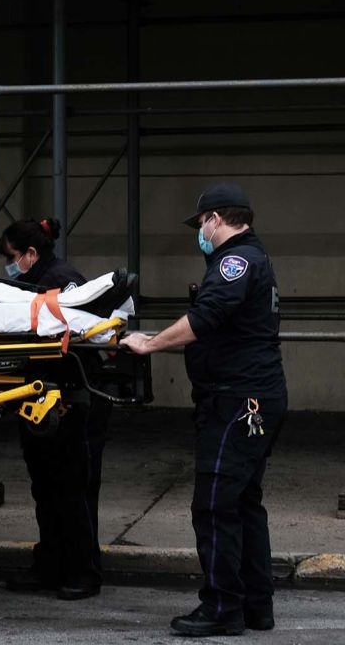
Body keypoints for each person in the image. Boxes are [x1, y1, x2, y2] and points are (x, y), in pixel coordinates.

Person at [123, 183, 285, 637]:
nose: (200, 232)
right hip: (252, 397)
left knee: (214, 506)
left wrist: (149, 344)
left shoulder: (236, 261)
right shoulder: (252, 258)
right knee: (244, 504)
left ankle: (222, 608)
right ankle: (257, 606)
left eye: (200, 224)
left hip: (238, 401)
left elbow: (205, 317)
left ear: (215, 219)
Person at [0, 218, 108, 601]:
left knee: (72, 490)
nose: (8, 266)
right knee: (45, 490)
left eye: (11, 258)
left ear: (31, 253)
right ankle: (50, 566)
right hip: (42, 400)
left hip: (72, 400)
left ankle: (83, 572)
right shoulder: (30, 282)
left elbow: (79, 334)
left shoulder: (63, 280)